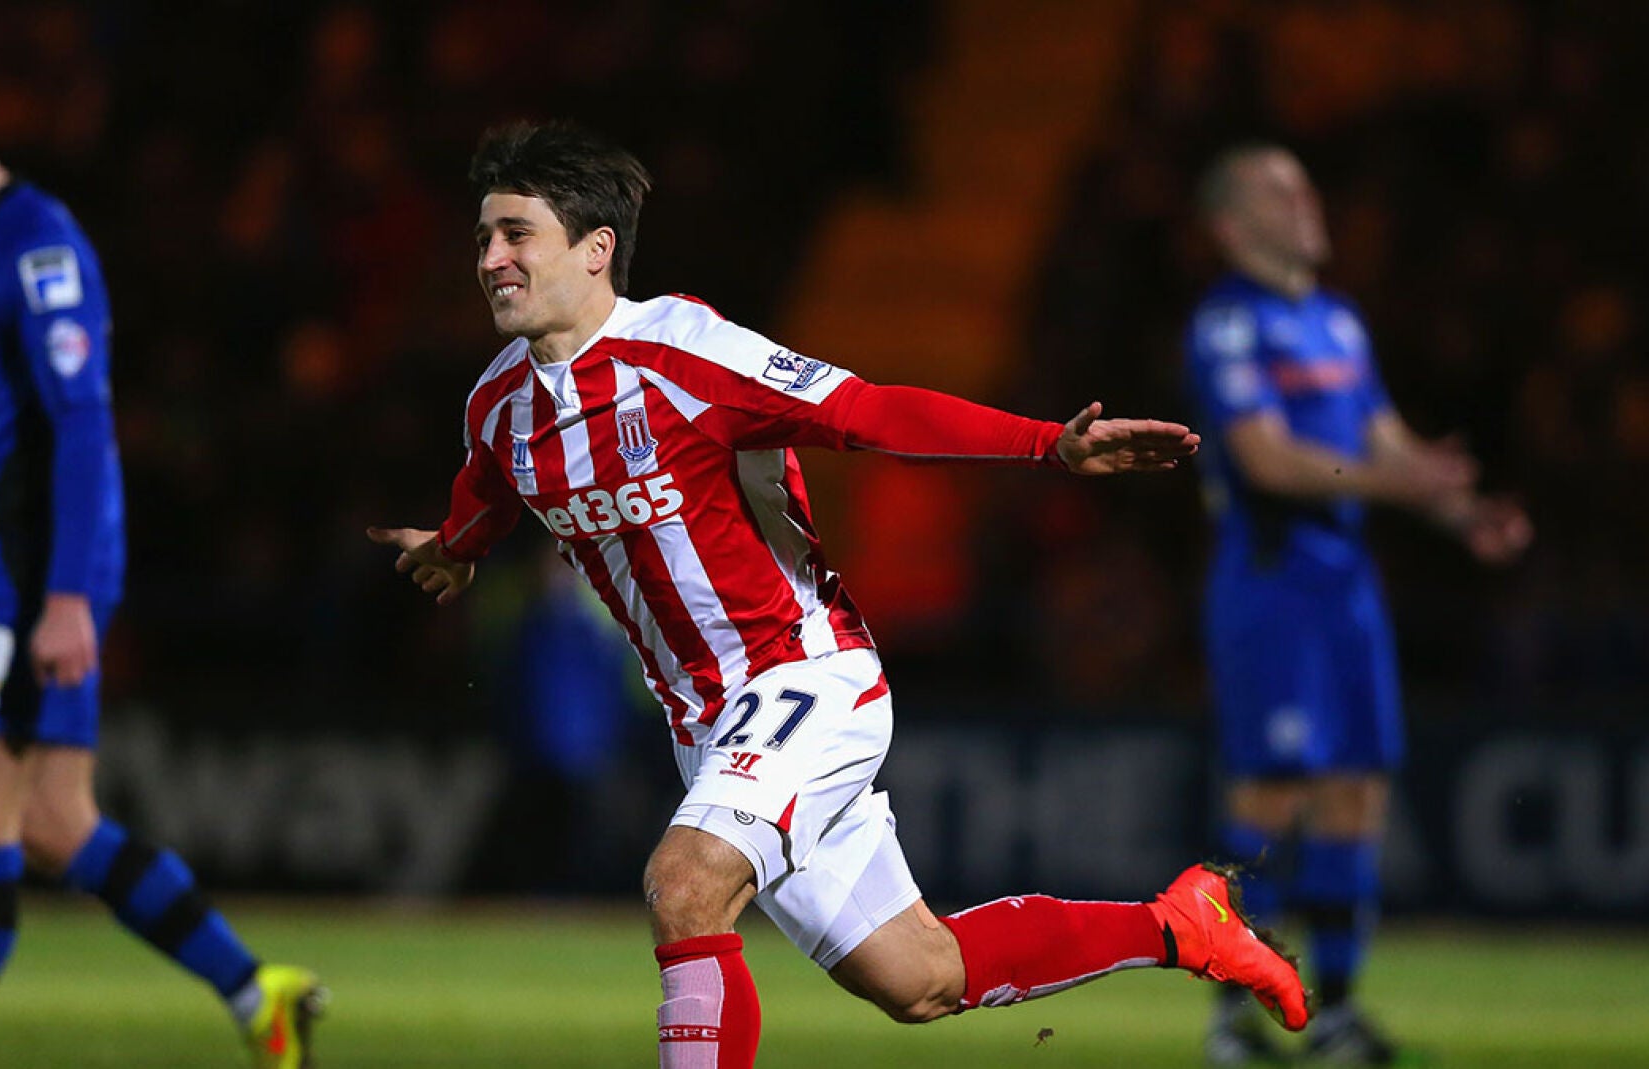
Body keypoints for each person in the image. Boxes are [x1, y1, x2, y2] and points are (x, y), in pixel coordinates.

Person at [367, 120, 1308, 1068]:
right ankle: (1182, 923)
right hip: (706, 724)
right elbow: (489, 489)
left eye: (516, 234)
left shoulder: (687, 354)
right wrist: (455, 550)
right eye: (483, 237)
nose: (490, 259)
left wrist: (1047, 445)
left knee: (685, 884)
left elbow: (866, 411)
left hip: (803, 676)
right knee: (919, 975)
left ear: (594, 248)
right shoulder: (499, 405)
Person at [0, 54, 324, 1069]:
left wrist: (68, 596)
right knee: (52, 821)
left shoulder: (39, 248)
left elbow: (81, 424)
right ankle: (256, 991)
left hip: (26, 569)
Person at [1184, 143, 1531, 1065]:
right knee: (1272, 792)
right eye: (1279, 192)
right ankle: (1231, 1017)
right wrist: (1401, 481)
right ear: (1231, 226)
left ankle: (1333, 1011)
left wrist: (1463, 512)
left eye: (1305, 185)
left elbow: (1388, 443)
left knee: (1356, 791)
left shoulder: (1337, 322)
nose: (1306, 202)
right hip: (1271, 580)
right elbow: (1266, 459)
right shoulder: (1230, 324)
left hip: (1345, 583)